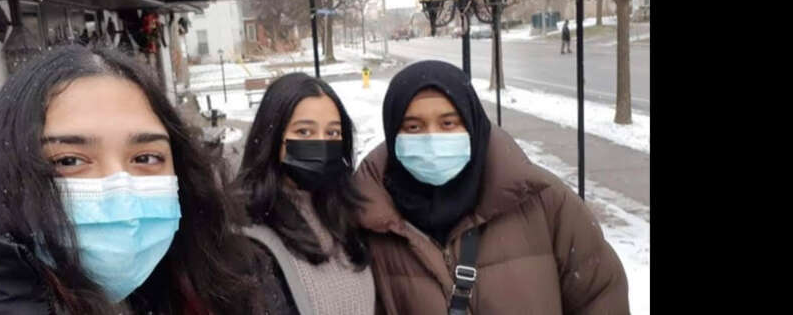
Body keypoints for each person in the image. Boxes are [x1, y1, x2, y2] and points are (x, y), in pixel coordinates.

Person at [0, 45, 261, 314]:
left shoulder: (196, 282)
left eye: (145, 158)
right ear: (9, 174)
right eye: (69, 161)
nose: (121, 192)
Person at [353, 60, 628, 314]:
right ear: (392, 132)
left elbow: (600, 296)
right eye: (413, 127)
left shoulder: (544, 203)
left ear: (473, 124)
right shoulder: (368, 218)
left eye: (448, 123)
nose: (432, 139)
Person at [232, 72, 376, 315]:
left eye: (332, 133)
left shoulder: (347, 216)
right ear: (272, 138)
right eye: (304, 132)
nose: (321, 144)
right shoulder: (248, 237)